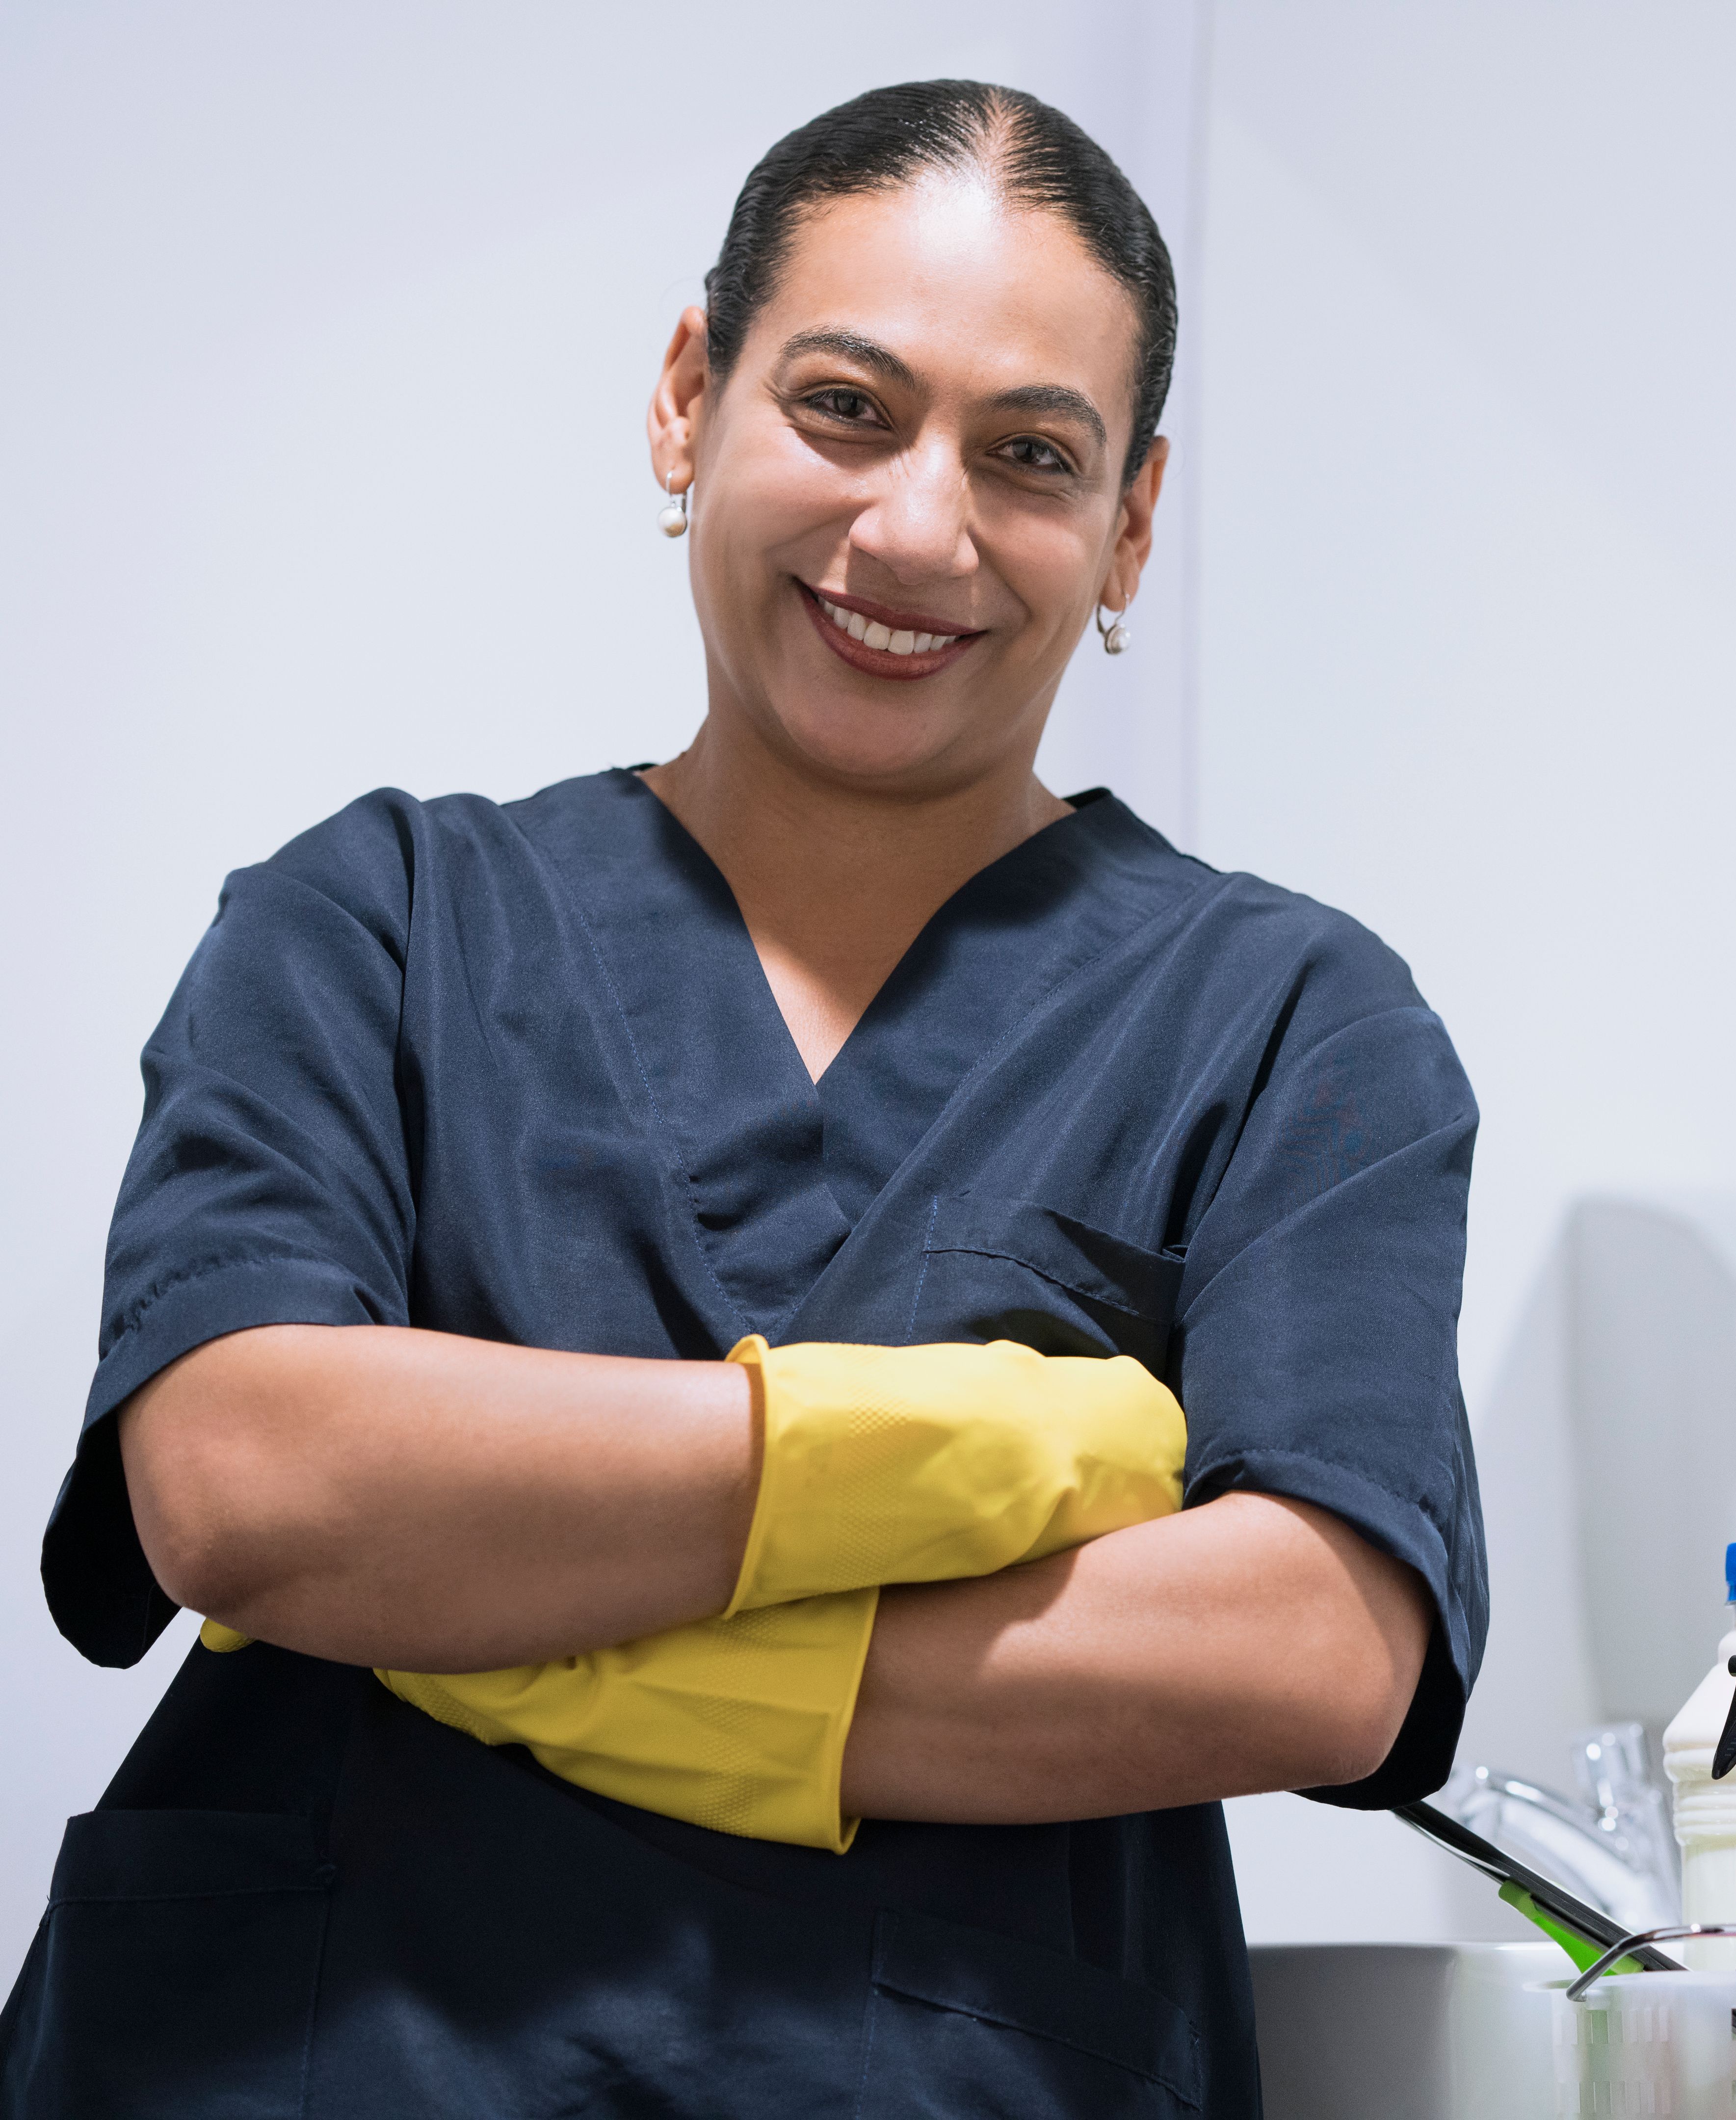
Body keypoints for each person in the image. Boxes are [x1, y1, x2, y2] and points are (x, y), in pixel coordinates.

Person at [1, 81, 1483, 2117]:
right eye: (848, 407)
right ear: (690, 401)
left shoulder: (1289, 1024)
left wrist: (522, 1623)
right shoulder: (382, 920)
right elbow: (250, 1479)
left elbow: (1299, 1652)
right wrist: (966, 1445)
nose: (917, 529)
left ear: (1130, 524)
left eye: (1030, 455)